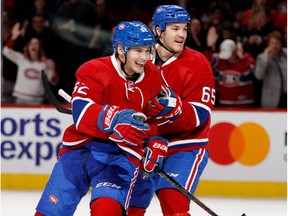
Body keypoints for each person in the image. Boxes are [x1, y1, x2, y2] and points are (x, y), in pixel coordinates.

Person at [34, 21, 180, 216]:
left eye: (147, 50)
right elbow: (82, 112)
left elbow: (159, 115)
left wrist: (154, 139)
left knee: (107, 211)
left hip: (120, 156)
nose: (145, 57)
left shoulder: (153, 76)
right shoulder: (93, 70)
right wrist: (114, 118)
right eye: (138, 51)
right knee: (49, 213)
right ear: (121, 49)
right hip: (81, 150)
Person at [128, 5, 215, 216]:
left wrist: (174, 108)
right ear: (158, 31)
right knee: (130, 205)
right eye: (175, 28)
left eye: (184, 28)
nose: (182, 35)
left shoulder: (197, 63)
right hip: (147, 143)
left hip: (185, 145)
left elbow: (200, 115)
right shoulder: (139, 59)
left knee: (173, 202)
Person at [2, 22, 58, 104]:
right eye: (31, 43)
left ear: (40, 47)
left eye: (36, 43)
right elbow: (6, 51)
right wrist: (13, 37)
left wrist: (52, 70)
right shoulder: (22, 59)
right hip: (20, 97)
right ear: (28, 47)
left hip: (37, 99)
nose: (34, 45)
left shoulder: (46, 63)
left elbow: (53, 81)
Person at [212, 39, 256, 107]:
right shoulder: (220, 61)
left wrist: (242, 58)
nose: (226, 58)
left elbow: (255, 73)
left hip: (244, 105)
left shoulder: (247, 59)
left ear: (235, 51)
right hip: (224, 104)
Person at [254, 31, 287, 108]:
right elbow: (259, 76)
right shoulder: (261, 57)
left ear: (281, 44)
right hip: (272, 98)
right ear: (268, 44)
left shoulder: (286, 55)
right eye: (272, 43)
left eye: (277, 43)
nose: (275, 46)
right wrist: (265, 59)